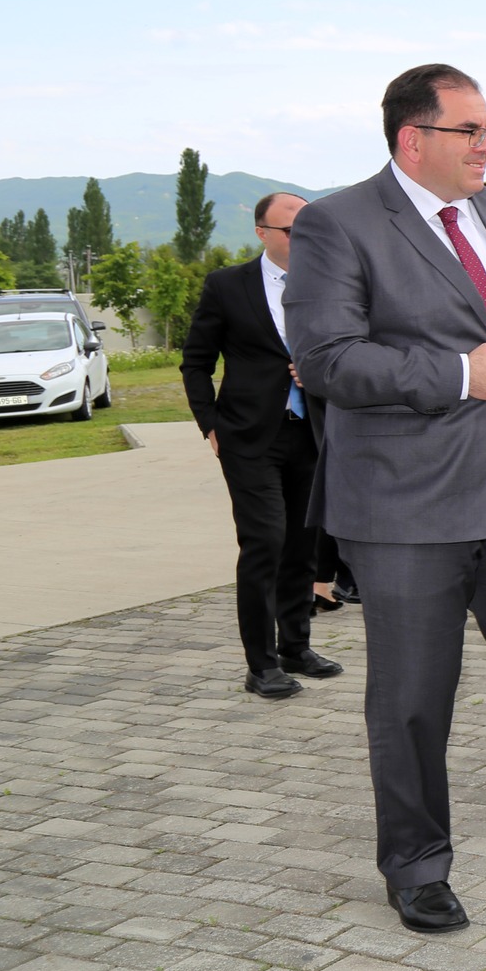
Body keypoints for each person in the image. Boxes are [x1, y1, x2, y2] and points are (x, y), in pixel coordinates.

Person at [286, 63, 486, 936]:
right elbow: (328, 358)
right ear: (412, 138)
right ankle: (417, 863)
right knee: (414, 695)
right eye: (471, 129)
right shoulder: (337, 224)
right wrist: (465, 375)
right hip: (404, 508)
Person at [181, 191, 344, 699]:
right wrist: (209, 423)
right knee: (265, 543)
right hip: (249, 437)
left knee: (302, 545)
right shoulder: (228, 285)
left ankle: (296, 646)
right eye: (291, 230)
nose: (303, 238)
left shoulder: (330, 283)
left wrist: (320, 374)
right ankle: (261, 665)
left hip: (311, 432)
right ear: (262, 233)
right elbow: (195, 361)